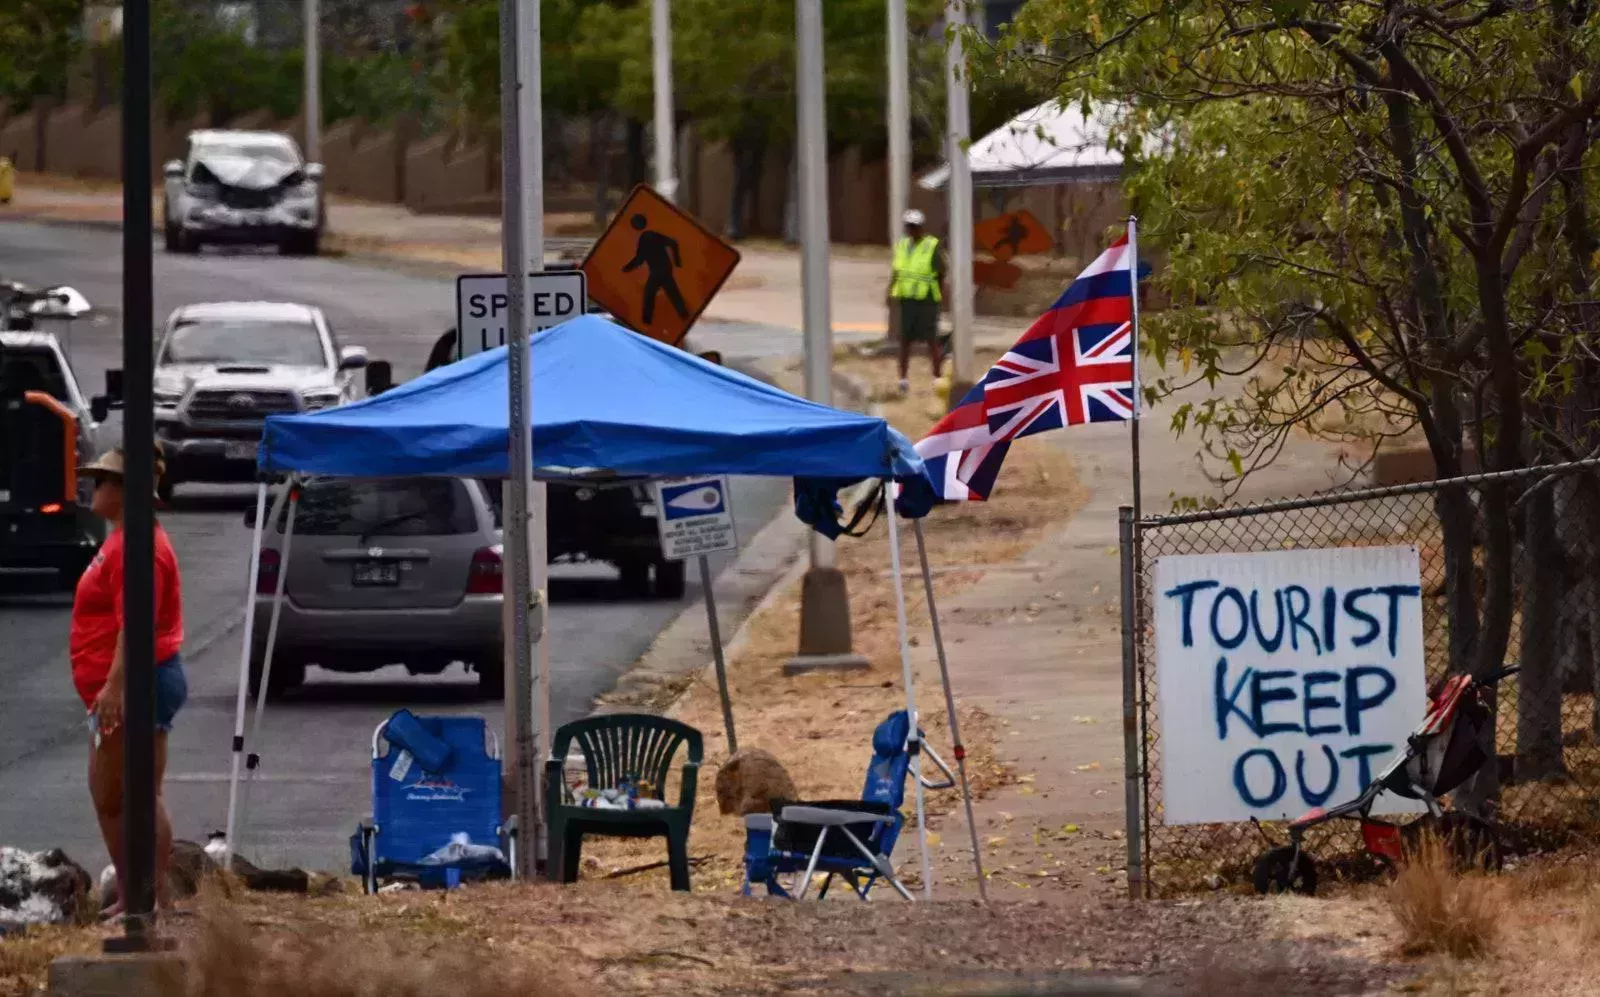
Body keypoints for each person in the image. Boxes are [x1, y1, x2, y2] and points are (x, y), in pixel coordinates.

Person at [71, 443, 186, 920]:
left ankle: (144, 897)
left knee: (114, 794)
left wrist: (115, 687)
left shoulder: (138, 547)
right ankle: (144, 895)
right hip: (140, 679)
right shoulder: (124, 539)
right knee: (134, 792)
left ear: (127, 491)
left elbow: (133, 625)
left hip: (139, 680)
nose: (95, 487)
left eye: (105, 480)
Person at [887, 209, 947, 393]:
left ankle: (937, 377)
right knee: (905, 340)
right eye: (909, 226)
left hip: (927, 299)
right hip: (907, 300)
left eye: (915, 227)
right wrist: (890, 292)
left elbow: (941, 271)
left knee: (931, 340)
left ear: (921, 228)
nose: (912, 230)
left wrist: (940, 295)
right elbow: (897, 271)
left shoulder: (931, 246)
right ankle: (903, 379)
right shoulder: (902, 246)